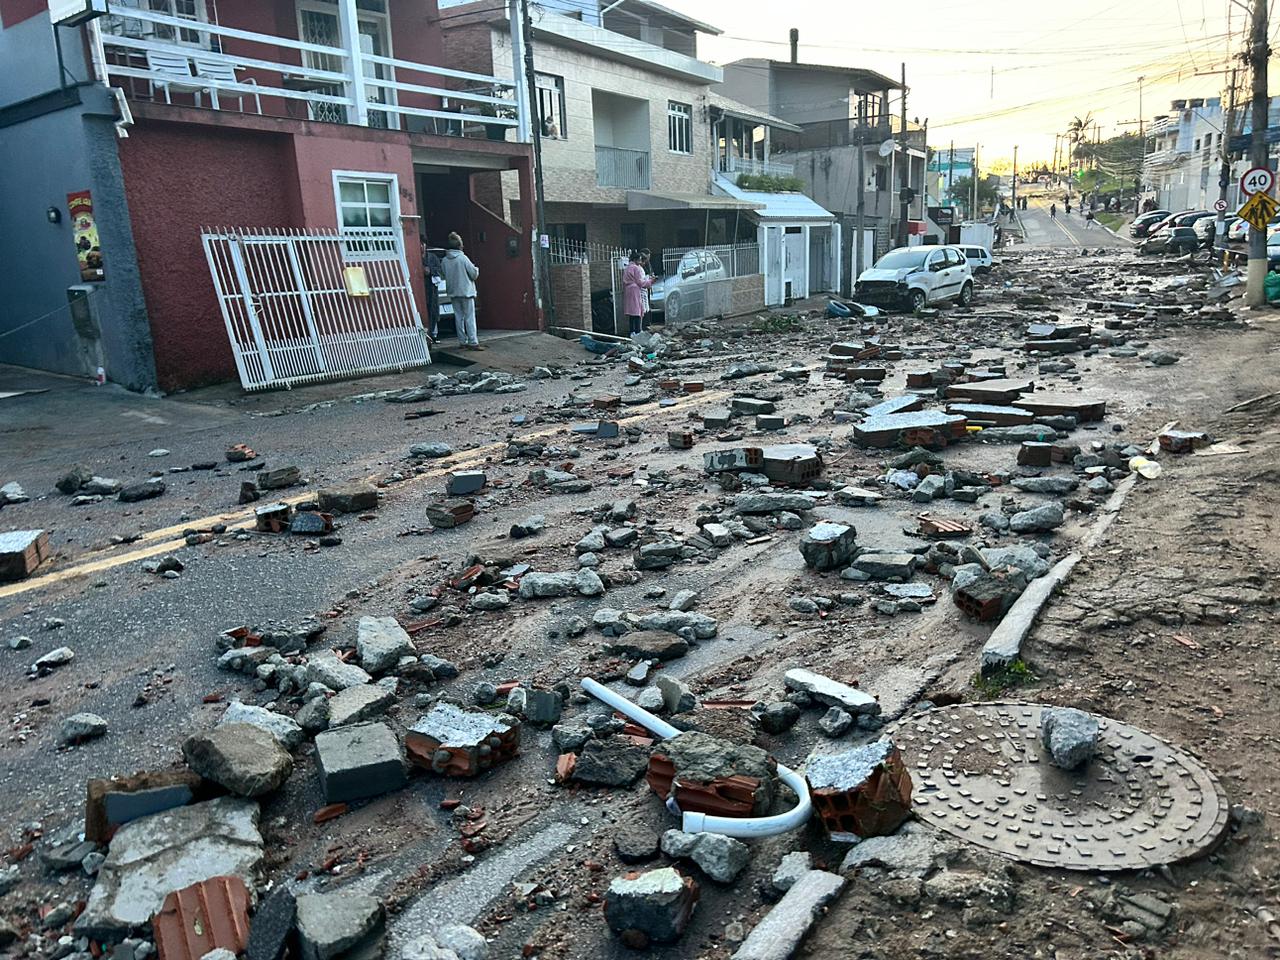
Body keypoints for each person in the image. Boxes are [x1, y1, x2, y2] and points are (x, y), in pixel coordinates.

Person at [442, 231, 482, 350]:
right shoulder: (463, 258)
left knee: (458, 317)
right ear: (459, 245)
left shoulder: (444, 260)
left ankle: (462, 341)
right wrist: (476, 269)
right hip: (466, 291)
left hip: (453, 292)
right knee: (469, 317)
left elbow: (444, 274)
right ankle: (473, 342)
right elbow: (473, 274)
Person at [622, 250, 655, 338]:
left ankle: (632, 331)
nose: (640, 262)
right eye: (639, 260)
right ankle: (637, 331)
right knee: (637, 311)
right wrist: (651, 281)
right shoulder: (636, 268)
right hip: (635, 290)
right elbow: (641, 282)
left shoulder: (627, 268)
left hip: (628, 289)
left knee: (631, 312)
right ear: (636, 260)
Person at [420, 236, 442, 343]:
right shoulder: (416, 257)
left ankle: (434, 334)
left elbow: (439, 269)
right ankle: (427, 334)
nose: (421, 246)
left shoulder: (432, 257)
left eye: (423, 244)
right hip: (422, 288)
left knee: (433, 310)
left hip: (432, 288)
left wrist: (431, 270)